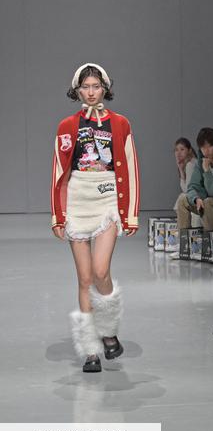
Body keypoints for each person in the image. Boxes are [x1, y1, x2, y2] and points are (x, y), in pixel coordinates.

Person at [51, 63, 139, 373]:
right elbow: (59, 171)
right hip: (77, 200)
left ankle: (109, 329)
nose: (90, 92)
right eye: (85, 87)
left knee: (102, 271)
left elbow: (129, 167)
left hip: (107, 200)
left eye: (96, 86)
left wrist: (130, 215)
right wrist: (58, 215)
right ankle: (91, 349)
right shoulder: (66, 125)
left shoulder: (120, 124)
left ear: (105, 88)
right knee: (85, 278)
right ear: (77, 90)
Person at [175, 127, 213, 232]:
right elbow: (193, 185)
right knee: (182, 199)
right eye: (203, 147)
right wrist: (196, 198)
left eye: (209, 147)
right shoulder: (201, 160)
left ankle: (210, 242)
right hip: (204, 199)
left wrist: (207, 171)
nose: (206, 151)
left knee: (208, 202)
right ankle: (185, 241)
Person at [174, 138, 197, 204]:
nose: (178, 153)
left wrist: (181, 170)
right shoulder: (186, 164)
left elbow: (187, 190)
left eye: (182, 149)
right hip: (194, 199)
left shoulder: (191, 164)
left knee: (181, 197)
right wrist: (181, 169)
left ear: (189, 150)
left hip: (197, 199)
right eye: (176, 150)